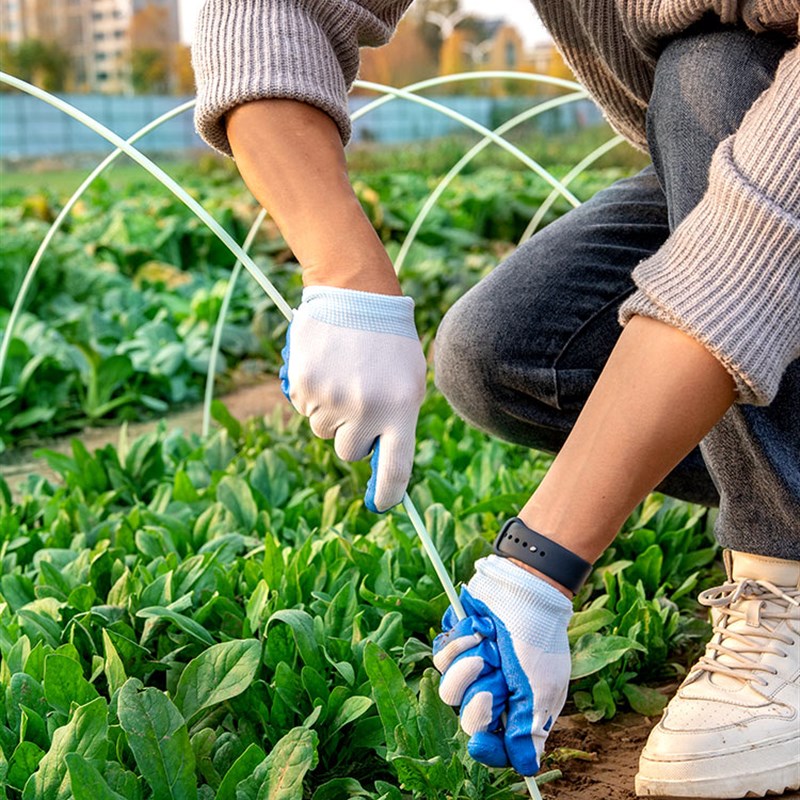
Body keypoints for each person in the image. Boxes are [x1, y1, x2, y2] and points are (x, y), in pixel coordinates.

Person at [191, 2, 800, 797]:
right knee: (507, 353)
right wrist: (344, 271)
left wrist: (537, 567)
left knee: (710, 72)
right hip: (723, 157)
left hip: (774, 151)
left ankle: (782, 573)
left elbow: (763, 238)